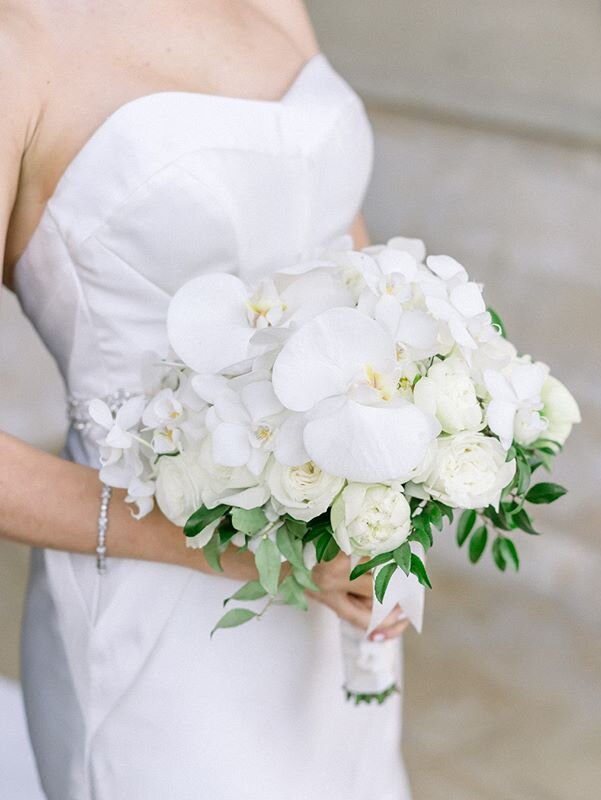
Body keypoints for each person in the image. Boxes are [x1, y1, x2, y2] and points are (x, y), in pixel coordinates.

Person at [0, 2, 411, 797]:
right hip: (155, 617)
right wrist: (237, 550)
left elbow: (344, 252)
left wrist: (403, 453)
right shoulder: (17, 45)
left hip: (331, 587)